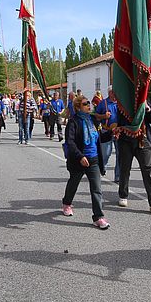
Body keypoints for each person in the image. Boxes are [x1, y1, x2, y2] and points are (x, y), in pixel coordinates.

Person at [61, 95, 109, 229]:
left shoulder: (93, 120)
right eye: (85, 104)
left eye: (89, 103)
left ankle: (98, 217)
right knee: (73, 184)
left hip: (93, 160)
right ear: (78, 107)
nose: (89, 105)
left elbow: (100, 138)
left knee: (96, 189)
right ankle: (67, 203)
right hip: (79, 160)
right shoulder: (73, 122)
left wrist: (112, 134)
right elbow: (70, 142)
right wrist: (80, 156)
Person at [116, 101, 151, 213]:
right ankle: (123, 195)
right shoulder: (122, 101)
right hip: (126, 140)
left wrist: (147, 109)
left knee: (148, 169)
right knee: (125, 168)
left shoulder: (144, 100)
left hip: (143, 139)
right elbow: (117, 121)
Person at [94, 86, 120, 181]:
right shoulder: (103, 103)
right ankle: (101, 168)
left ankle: (118, 176)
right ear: (110, 93)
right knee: (106, 153)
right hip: (106, 131)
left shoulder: (120, 103)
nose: (115, 94)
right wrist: (103, 116)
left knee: (119, 154)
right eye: (114, 92)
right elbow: (96, 115)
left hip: (118, 132)